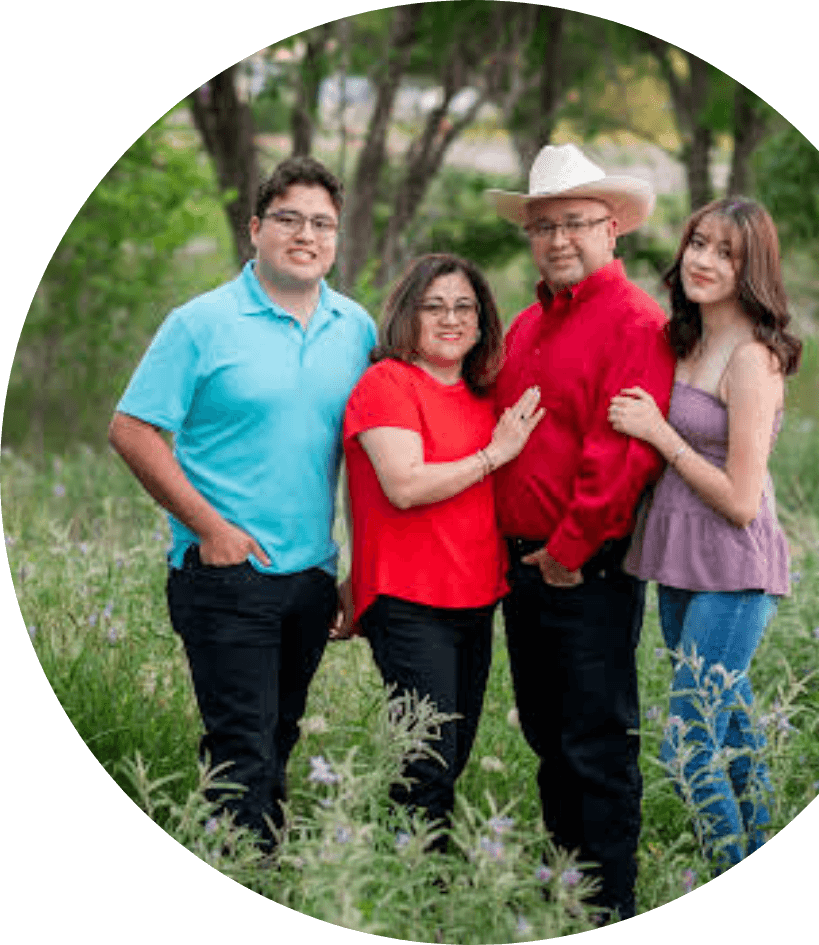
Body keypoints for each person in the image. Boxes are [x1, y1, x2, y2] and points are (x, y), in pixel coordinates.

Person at [107, 156, 377, 853]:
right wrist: (212, 529)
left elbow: (372, 458)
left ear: (337, 238)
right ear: (255, 228)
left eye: (322, 223)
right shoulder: (201, 322)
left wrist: (360, 566)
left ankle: (265, 869)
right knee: (241, 750)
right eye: (288, 218)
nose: (306, 234)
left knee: (278, 737)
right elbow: (131, 429)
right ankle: (245, 868)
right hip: (224, 572)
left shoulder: (357, 328)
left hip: (312, 576)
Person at [485, 144, 676, 921]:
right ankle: (559, 888)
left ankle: (606, 904)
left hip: (583, 567)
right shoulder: (526, 324)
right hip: (518, 567)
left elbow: (622, 452)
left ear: (613, 229)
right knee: (544, 735)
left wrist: (566, 552)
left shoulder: (635, 321)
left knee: (593, 741)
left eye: (574, 223)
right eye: (542, 225)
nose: (558, 239)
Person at [608, 196, 802, 872]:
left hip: (734, 572)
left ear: (752, 270)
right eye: (698, 243)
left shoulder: (751, 358)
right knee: (735, 735)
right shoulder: (683, 338)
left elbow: (743, 501)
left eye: (725, 252)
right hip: (679, 567)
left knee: (687, 744)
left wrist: (660, 435)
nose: (703, 260)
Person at [342, 253, 543, 849]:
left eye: (464, 307)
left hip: (476, 596)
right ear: (409, 315)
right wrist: (493, 455)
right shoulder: (387, 384)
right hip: (407, 597)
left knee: (449, 756)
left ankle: (422, 886)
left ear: (482, 322)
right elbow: (403, 485)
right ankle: (418, 896)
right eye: (434, 307)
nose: (450, 319)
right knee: (424, 761)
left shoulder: (483, 397)